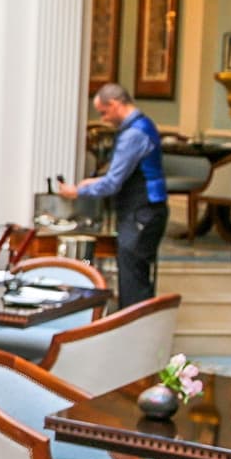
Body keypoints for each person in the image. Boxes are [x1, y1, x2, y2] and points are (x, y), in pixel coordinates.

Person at [59, 82, 166, 308]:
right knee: (134, 273)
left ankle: (135, 324)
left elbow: (113, 183)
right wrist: (95, 182)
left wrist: (78, 191)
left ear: (115, 104)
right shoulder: (143, 125)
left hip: (141, 211)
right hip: (146, 210)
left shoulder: (134, 134)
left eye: (104, 112)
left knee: (133, 278)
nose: (104, 119)